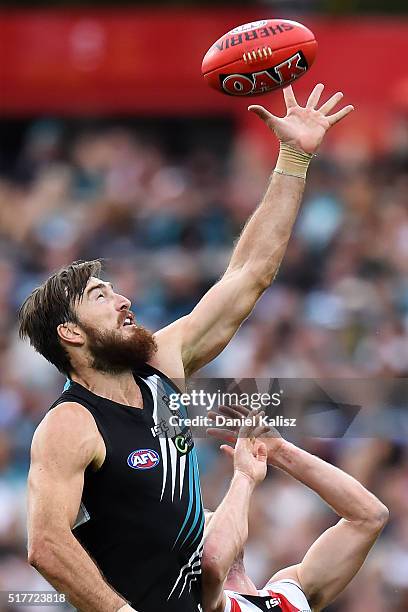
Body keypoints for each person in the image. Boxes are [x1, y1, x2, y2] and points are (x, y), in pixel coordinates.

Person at [19, 84, 353, 612]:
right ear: (71, 333)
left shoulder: (160, 367)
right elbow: (46, 544)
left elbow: (249, 275)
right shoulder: (71, 424)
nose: (124, 300)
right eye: (101, 297)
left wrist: (293, 159)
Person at [202, 406, 389, 612]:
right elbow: (213, 560)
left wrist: (281, 453)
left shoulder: (290, 595)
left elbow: (370, 517)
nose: (214, 516)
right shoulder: (199, 603)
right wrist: (244, 476)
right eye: (208, 520)